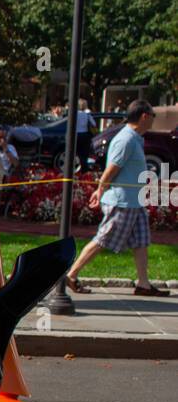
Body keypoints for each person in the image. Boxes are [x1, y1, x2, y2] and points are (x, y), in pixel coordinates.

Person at [66, 99, 169, 297]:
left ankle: (144, 285)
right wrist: (100, 190)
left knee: (141, 241)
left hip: (134, 202)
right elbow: (112, 168)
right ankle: (71, 275)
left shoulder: (135, 138)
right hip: (122, 201)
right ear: (144, 116)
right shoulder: (126, 139)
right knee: (103, 239)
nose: (153, 121)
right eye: (152, 116)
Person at [75, 99, 96, 169]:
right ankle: (83, 168)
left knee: (75, 153)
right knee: (84, 154)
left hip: (76, 135)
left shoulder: (75, 114)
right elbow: (94, 124)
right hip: (84, 135)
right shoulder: (87, 115)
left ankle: (75, 167)